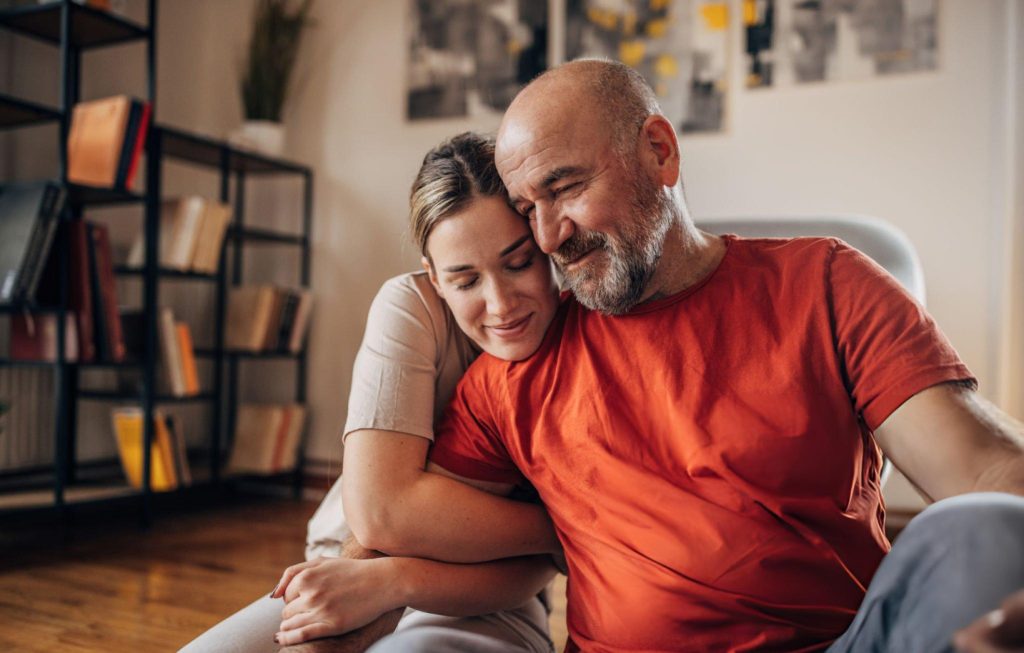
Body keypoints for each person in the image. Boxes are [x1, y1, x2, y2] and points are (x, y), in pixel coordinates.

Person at [349, 59, 1024, 651]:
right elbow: (398, 521)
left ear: (659, 153)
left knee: (983, 533)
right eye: (529, 209)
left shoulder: (827, 284)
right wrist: (378, 583)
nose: (550, 235)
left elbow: (985, 465)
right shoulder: (517, 370)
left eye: (565, 189)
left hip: (844, 641)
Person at [179, 132, 564, 653]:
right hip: (346, 563)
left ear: (544, 245)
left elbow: (533, 570)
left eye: (518, 264)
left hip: (490, 591)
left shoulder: (582, 344)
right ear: (435, 277)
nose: (499, 304)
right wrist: (560, 526)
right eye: (465, 280)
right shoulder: (411, 305)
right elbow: (381, 514)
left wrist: (401, 582)